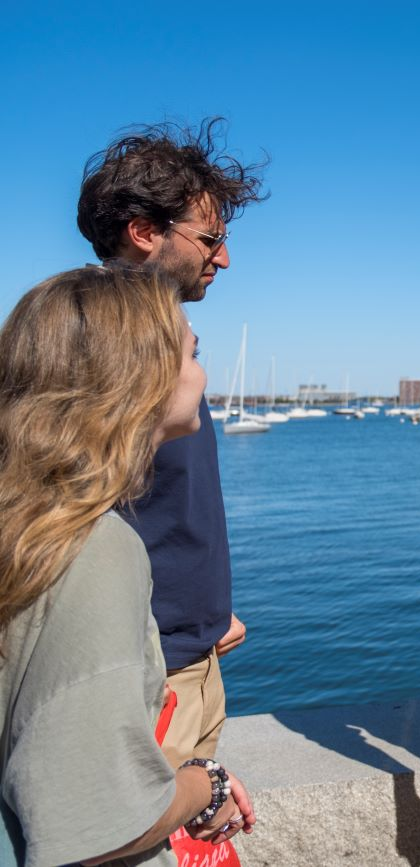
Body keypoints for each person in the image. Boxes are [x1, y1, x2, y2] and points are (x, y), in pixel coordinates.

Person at [0, 266, 254, 865]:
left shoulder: (29, 524)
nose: (203, 375)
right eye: (193, 355)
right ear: (142, 375)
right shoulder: (96, 547)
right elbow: (100, 824)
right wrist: (206, 783)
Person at [77, 118, 266, 768]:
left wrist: (206, 615)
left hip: (191, 653)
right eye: (210, 239)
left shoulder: (161, 336)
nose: (224, 257)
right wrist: (154, 643)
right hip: (146, 675)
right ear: (144, 231)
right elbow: (64, 518)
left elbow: (161, 502)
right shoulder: (98, 342)